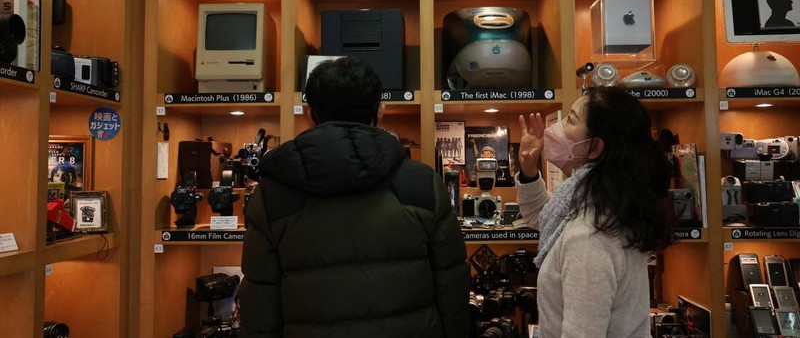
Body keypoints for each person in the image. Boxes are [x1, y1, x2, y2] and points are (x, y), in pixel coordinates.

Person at [239, 57, 470, 338]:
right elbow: (453, 295)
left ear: (310, 113)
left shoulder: (270, 196)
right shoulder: (424, 185)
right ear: (380, 112)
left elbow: (259, 309)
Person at [516, 87, 674, 337]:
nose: (555, 128)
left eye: (570, 119)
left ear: (594, 147)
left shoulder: (589, 237)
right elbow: (544, 217)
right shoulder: (609, 204)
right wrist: (528, 169)